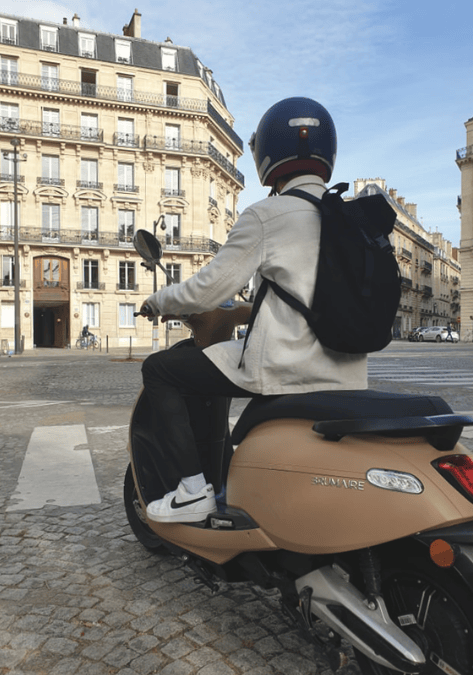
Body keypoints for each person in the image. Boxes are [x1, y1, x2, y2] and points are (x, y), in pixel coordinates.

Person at [140, 97, 367, 524]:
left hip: (286, 365)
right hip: (348, 373)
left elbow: (207, 290)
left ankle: (192, 491)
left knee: (160, 370)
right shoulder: (351, 219)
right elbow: (308, 298)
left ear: (269, 154)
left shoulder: (268, 214)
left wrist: (158, 301)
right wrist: (244, 311)